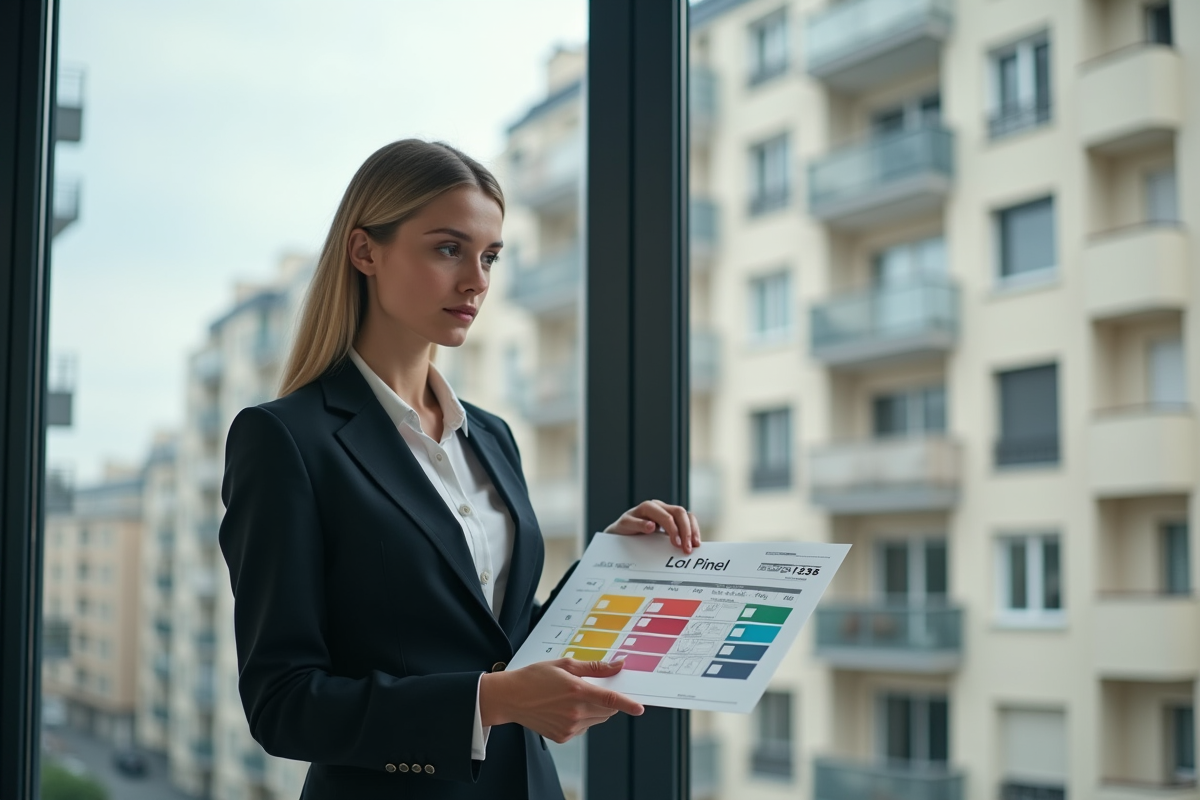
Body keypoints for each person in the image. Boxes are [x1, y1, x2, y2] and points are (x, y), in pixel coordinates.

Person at [218, 138, 702, 800]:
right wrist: (488, 702)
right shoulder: (285, 440)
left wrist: (608, 565)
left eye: (490, 256)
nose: (477, 280)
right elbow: (284, 703)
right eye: (449, 249)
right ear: (365, 252)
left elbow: (499, 637)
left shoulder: (493, 437)